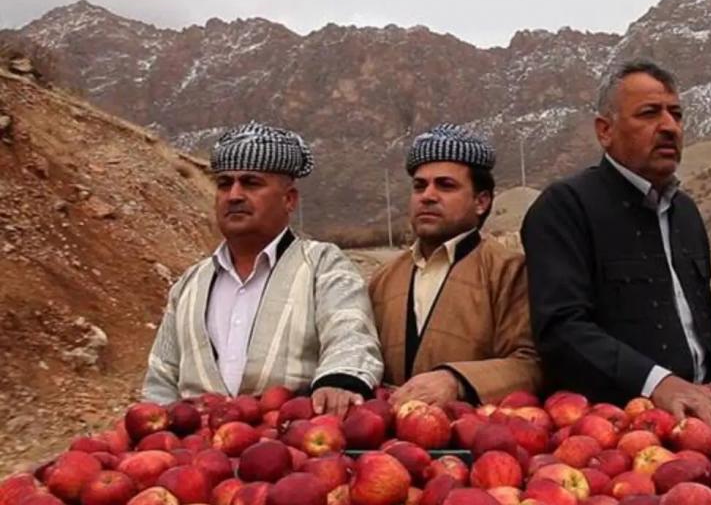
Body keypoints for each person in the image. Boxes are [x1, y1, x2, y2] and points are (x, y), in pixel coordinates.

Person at [522, 60, 711, 431]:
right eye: (650, 114)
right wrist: (658, 384)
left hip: (704, 422)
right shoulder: (565, 207)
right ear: (605, 131)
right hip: (613, 436)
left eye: (676, 114)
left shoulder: (685, 213)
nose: (669, 126)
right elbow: (561, 330)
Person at [142, 122, 383, 416]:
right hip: (196, 453)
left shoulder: (323, 265)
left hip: (294, 451)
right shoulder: (190, 283)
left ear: (289, 199)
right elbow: (161, 378)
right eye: (224, 184)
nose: (234, 195)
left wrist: (338, 381)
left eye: (251, 183)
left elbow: (351, 335)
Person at [369, 124, 541, 407]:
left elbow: (531, 365)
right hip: (391, 443)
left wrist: (456, 381)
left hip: (478, 442)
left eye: (446, 186)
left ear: (481, 202)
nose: (428, 196)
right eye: (419, 186)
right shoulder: (384, 278)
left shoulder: (510, 271)